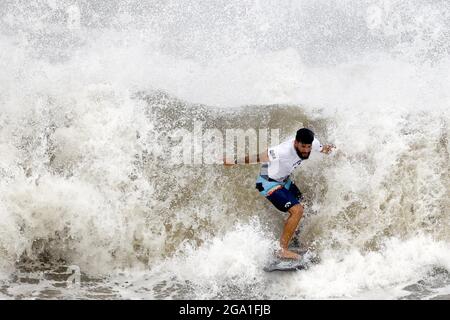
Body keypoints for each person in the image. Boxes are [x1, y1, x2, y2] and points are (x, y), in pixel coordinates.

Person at [224, 128, 335, 260]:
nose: (306, 150)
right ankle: (282, 249)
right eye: (302, 146)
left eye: (308, 147)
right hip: (268, 182)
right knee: (297, 210)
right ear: (295, 143)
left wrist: (338, 151)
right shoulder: (281, 151)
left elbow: (325, 149)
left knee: (306, 206)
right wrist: (234, 161)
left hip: (284, 180)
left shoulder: (313, 143)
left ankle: (293, 238)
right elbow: (258, 157)